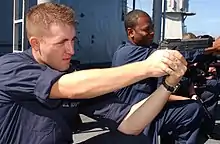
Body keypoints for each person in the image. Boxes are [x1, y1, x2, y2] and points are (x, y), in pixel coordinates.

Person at [0, 3, 188, 144]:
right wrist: (146, 67)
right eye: (61, 42)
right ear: (35, 44)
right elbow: (68, 87)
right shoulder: (11, 67)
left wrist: (168, 84)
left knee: (135, 140)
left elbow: (131, 124)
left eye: (73, 40)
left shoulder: (75, 77)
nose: (71, 50)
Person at [111, 10, 220, 144]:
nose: (152, 32)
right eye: (146, 29)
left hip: (149, 107)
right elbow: (176, 56)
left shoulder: (149, 48)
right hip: (132, 113)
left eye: (152, 28)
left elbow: (184, 54)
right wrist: (212, 48)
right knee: (192, 108)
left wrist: (208, 50)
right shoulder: (127, 53)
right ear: (130, 32)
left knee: (191, 107)